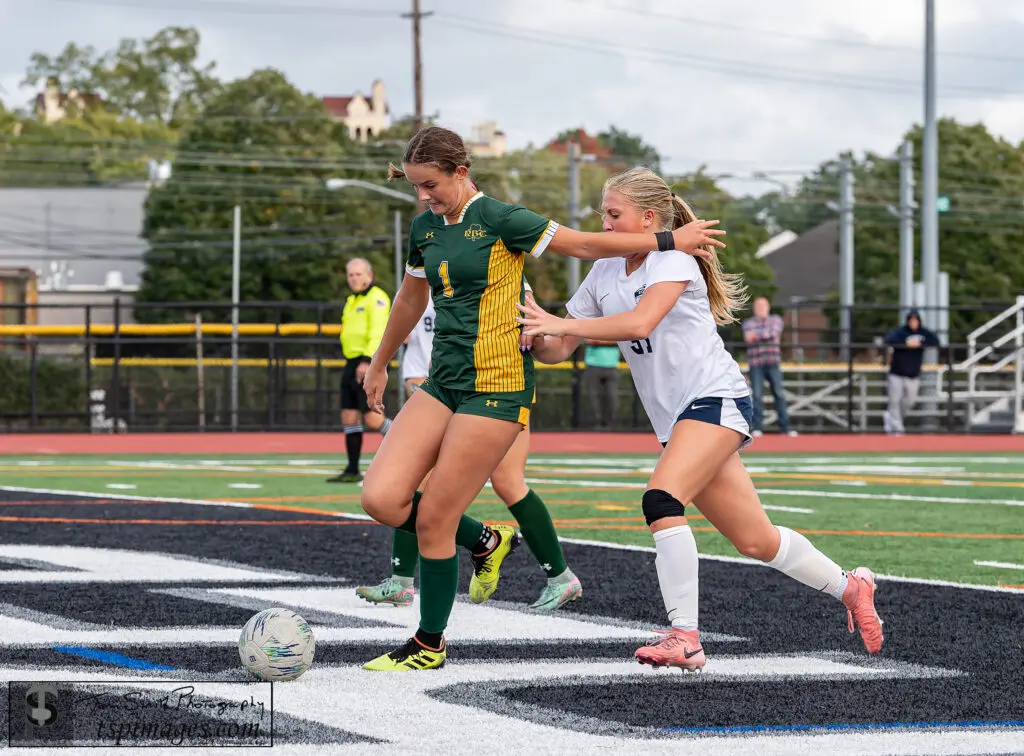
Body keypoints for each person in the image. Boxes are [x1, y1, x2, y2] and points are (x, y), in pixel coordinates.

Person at [358, 126, 724, 672]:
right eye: (416, 187)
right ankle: (484, 539)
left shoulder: (503, 219)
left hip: (498, 386)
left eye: (430, 185)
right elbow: (411, 297)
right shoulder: (426, 228)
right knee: (382, 499)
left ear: (461, 172)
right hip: (443, 382)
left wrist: (668, 241)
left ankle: (428, 645)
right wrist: (381, 360)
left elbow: (582, 243)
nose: (424, 198)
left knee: (434, 515)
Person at [517, 167, 884, 672]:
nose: (602, 223)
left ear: (649, 218)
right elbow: (560, 349)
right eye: (603, 213)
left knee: (661, 499)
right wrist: (535, 335)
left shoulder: (673, 259)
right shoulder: (604, 271)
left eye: (613, 214)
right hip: (680, 419)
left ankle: (685, 637)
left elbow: (639, 322)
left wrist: (561, 322)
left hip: (715, 399)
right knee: (757, 539)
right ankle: (851, 587)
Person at [356, 279, 583, 613]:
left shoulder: (497, 260)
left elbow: (531, 319)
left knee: (508, 482)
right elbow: (414, 324)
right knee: (415, 480)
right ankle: (402, 581)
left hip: (498, 390)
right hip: (449, 388)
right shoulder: (431, 263)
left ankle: (560, 577)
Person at [327, 258, 394, 483]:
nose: (354, 278)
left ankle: (408, 448)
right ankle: (353, 469)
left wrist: (368, 361)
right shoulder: (351, 301)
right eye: (351, 275)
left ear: (369, 275)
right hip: (351, 362)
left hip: (368, 363)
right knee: (349, 415)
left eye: (358, 274)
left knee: (374, 420)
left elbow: (378, 332)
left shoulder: (377, 298)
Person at [741, 297, 796, 437]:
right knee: (757, 396)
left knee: (779, 394)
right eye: (758, 306)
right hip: (756, 364)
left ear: (768, 307)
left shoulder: (776, 319)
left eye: (762, 306)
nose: (760, 309)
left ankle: (785, 428)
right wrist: (763, 334)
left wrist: (757, 336)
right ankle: (757, 428)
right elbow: (749, 337)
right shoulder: (748, 322)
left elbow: (773, 333)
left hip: (773, 363)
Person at [883, 309, 939, 435]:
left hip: (913, 374)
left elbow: (935, 341)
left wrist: (920, 343)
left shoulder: (923, 332)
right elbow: (888, 340)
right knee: (894, 400)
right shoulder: (900, 332)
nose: (913, 322)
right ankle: (898, 428)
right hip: (896, 373)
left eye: (916, 320)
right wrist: (905, 343)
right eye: (911, 320)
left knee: (910, 401)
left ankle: (892, 419)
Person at [583, 340, 621, 429]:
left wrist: (601, 340)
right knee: (593, 397)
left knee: (612, 397)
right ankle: (595, 424)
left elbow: (623, 340)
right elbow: (590, 340)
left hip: (612, 365)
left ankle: (608, 424)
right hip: (593, 364)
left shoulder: (617, 327)